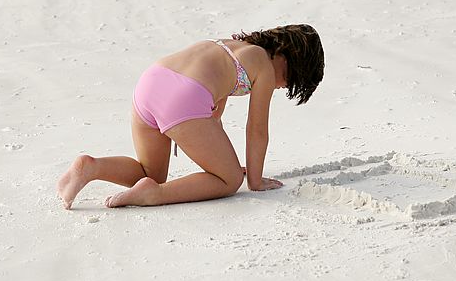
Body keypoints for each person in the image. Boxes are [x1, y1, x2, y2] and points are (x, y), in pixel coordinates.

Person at [57, 24, 325, 209]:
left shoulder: (231, 46)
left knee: (150, 172)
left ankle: (90, 167)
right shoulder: (263, 66)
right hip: (183, 98)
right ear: (287, 58)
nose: (282, 86)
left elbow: (214, 113)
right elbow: (256, 129)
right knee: (229, 180)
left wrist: (220, 156)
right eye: (289, 80)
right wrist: (254, 180)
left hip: (151, 83)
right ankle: (154, 195)